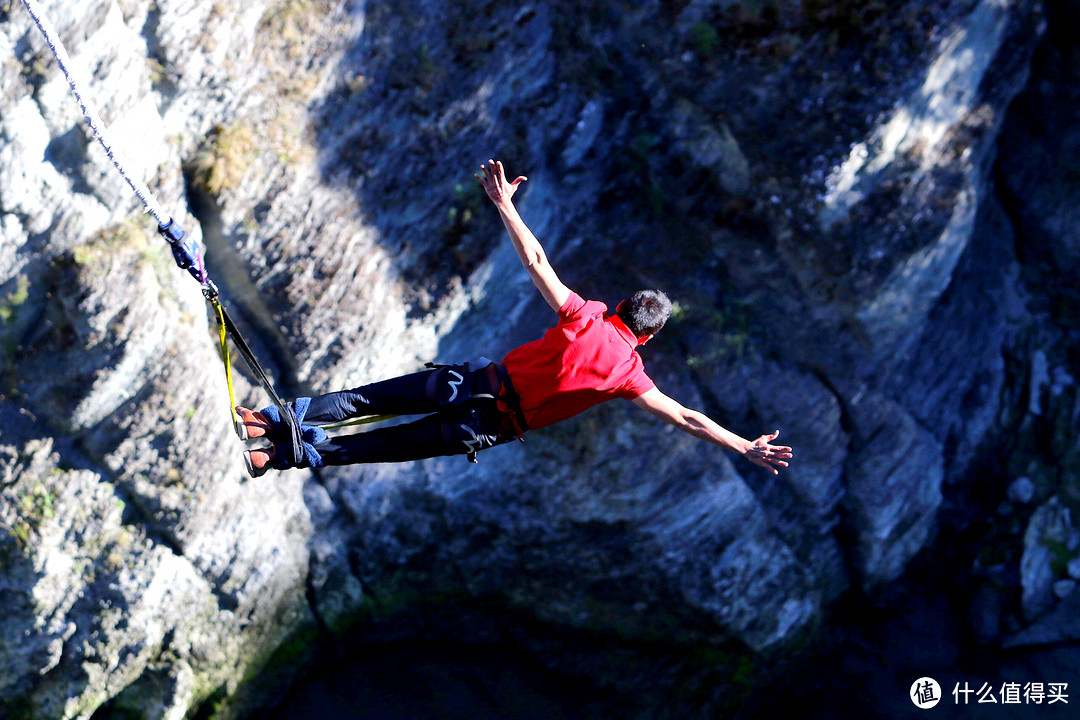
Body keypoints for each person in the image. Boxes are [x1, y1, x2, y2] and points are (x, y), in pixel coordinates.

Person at [237, 159, 792, 477]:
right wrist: (744, 445)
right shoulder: (629, 374)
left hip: (471, 382)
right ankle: (272, 456)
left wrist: (505, 204)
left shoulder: (586, 315)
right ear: (649, 336)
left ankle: (267, 418)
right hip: (488, 424)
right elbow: (688, 418)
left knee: (369, 402)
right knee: (383, 445)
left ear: (622, 306)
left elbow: (536, 261)